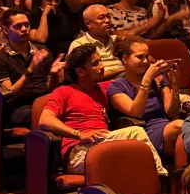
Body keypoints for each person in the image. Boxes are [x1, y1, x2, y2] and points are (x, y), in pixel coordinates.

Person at [38, 45, 167, 175]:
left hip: (103, 143)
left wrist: (153, 76)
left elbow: (132, 77)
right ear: (80, 71)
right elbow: (45, 120)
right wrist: (78, 134)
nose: (102, 66)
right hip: (78, 152)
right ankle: (160, 177)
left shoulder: (104, 89)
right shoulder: (64, 91)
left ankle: (152, 181)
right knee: (136, 132)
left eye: (101, 61)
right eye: (96, 63)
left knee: (134, 155)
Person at [107, 36, 183, 155]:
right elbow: (136, 112)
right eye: (140, 57)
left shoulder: (158, 79)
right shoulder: (116, 87)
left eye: (147, 56)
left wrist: (175, 87)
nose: (146, 61)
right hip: (144, 133)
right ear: (125, 59)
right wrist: (147, 79)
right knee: (181, 126)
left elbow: (172, 113)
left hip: (167, 126)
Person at [0, 9, 65, 126]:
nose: (24, 29)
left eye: (26, 25)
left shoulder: (42, 51)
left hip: (44, 101)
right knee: (46, 116)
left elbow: (48, 88)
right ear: (5, 30)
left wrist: (54, 75)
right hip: (20, 107)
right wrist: (30, 70)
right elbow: (9, 93)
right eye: (18, 26)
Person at [68, 4, 124, 79]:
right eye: (101, 18)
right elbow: (84, 76)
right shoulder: (79, 44)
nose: (107, 20)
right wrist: (121, 70)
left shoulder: (117, 40)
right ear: (88, 24)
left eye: (108, 16)